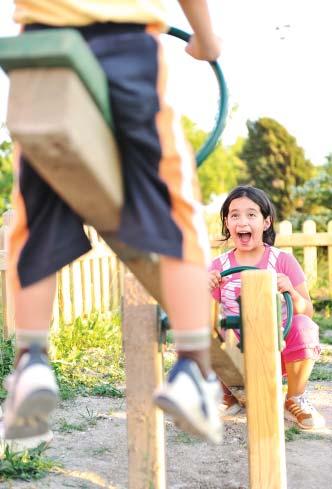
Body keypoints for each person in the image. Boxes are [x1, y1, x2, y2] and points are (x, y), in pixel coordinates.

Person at [2, 0, 223, 446]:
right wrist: (206, 39)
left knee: (33, 207)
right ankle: (194, 370)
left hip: (41, 46)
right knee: (176, 204)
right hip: (126, 41)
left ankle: (31, 363)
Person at [209, 185, 325, 429]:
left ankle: (293, 398)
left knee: (304, 325)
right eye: (234, 215)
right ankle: (227, 395)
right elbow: (205, 316)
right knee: (204, 326)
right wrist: (205, 288)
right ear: (227, 223)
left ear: (266, 222)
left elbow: (308, 312)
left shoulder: (283, 261)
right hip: (234, 351)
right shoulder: (217, 266)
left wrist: (291, 292)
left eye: (251, 214)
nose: (242, 221)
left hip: (277, 349)